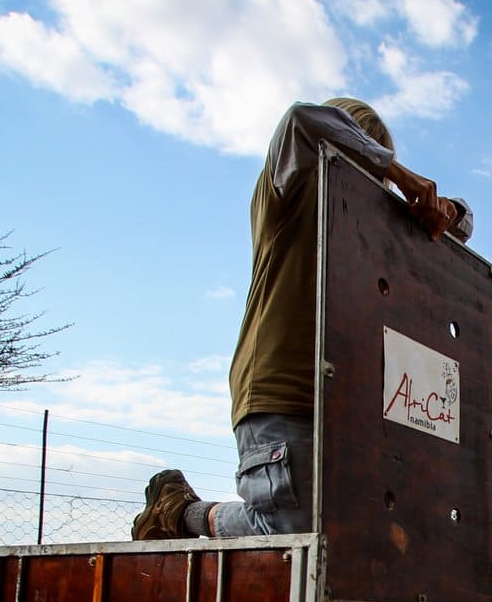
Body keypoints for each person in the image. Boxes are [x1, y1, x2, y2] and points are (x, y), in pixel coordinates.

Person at [133, 97, 473, 540]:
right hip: (283, 386)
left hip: (344, 403)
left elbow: (462, 223)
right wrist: (399, 173)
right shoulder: (286, 187)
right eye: (364, 159)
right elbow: (300, 120)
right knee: (290, 527)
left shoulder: (367, 224)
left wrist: (446, 210)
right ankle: (180, 513)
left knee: (349, 534)